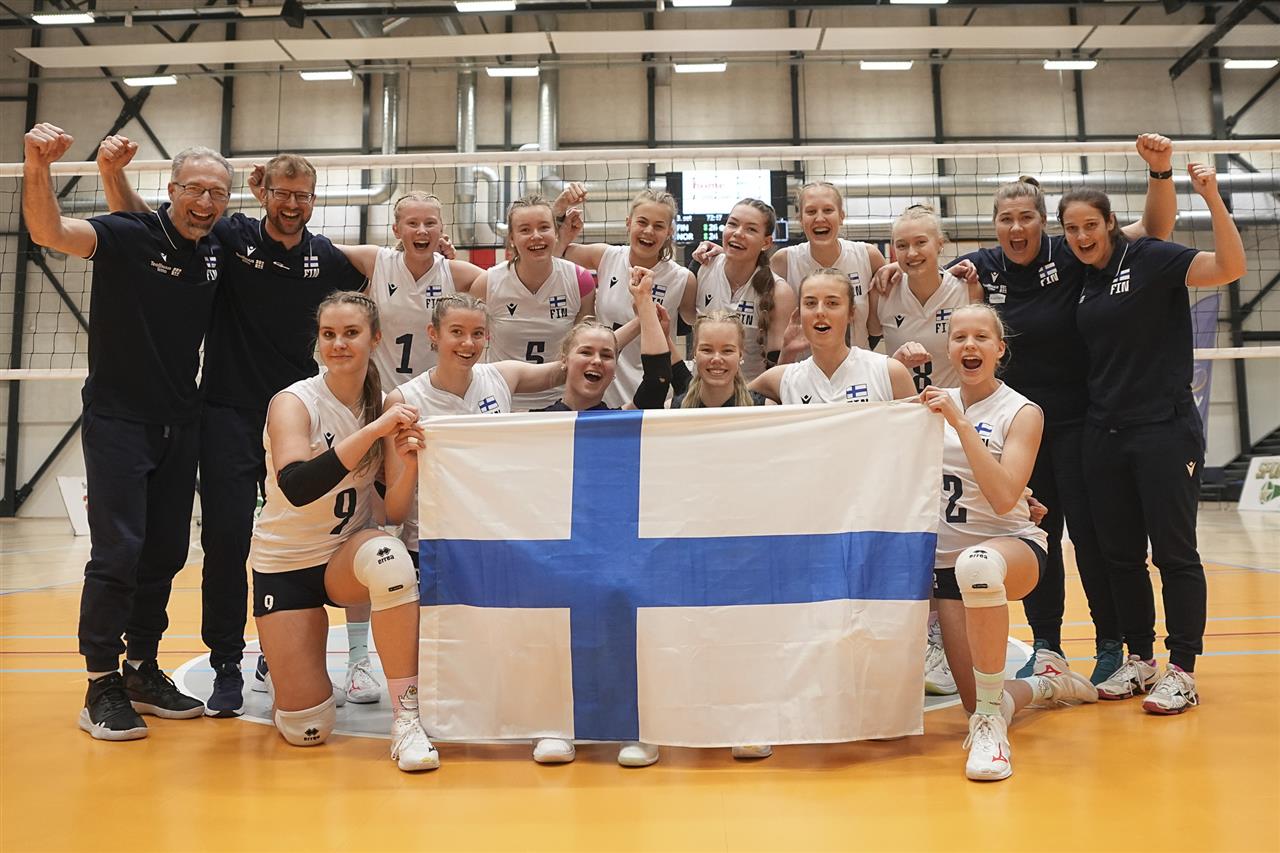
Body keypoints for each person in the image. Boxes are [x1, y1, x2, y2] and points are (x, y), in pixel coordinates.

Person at [873, 134, 1178, 685]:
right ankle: (1047, 646)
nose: (1016, 228)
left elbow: (1152, 230)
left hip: (1080, 422)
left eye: (1026, 218)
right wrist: (891, 272)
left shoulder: (1072, 253)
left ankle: (1112, 643)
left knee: (1093, 537)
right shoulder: (980, 267)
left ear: (1043, 222)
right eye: (1005, 219)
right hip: (1014, 426)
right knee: (1036, 532)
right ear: (994, 225)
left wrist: (1159, 173)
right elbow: (927, 269)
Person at [96, 141, 377, 717]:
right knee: (226, 540)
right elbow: (153, 231)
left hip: (298, 416)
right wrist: (112, 175)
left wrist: (437, 253)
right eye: (283, 194)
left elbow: (385, 267)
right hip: (226, 412)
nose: (292, 205)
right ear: (262, 193)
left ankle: (285, 647)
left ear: (314, 200)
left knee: (308, 533)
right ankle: (228, 660)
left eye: (303, 196)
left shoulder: (327, 257)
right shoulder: (230, 235)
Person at [25, 122, 225, 739]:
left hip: (181, 420)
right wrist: (38, 164)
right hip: (118, 419)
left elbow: (175, 234)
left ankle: (140, 668)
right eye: (194, 189)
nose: (206, 201)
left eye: (217, 193)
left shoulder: (213, 250)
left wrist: (114, 176)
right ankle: (99, 684)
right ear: (172, 189)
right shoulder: (125, 234)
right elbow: (49, 232)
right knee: (117, 553)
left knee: (165, 552)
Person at [1066, 163, 1246, 714]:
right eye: (1071, 229)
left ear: (1110, 223)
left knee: (1174, 552)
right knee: (1121, 556)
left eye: (1090, 225)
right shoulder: (1083, 278)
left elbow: (1230, 267)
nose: (1081, 237)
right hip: (1104, 432)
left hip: (1164, 430)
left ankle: (1183, 669)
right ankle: (1140, 659)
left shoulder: (1148, 257)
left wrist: (1211, 198)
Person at [248, 291, 438, 772]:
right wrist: (374, 432)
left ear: (375, 339)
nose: (338, 344)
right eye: (328, 334)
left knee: (390, 557)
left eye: (351, 333)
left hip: (343, 557)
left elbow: (393, 512)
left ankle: (407, 719)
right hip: (285, 564)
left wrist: (408, 465)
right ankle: (285, 661)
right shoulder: (294, 402)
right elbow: (296, 486)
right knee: (307, 730)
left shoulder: (385, 403)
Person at [921, 303, 1097, 781]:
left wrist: (960, 424)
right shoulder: (929, 405)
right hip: (947, 564)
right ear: (948, 348)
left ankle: (992, 736)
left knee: (977, 563)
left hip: (1012, 546)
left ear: (999, 349)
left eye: (981, 337)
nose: (970, 345)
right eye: (959, 337)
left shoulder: (1022, 411)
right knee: (982, 700)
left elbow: (1002, 499)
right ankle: (1046, 686)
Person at [553, 184, 696, 407]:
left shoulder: (683, 279)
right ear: (629, 223)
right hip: (601, 389)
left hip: (654, 392)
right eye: (642, 222)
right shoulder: (606, 256)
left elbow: (701, 322)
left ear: (669, 232)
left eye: (658, 226)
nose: (649, 231)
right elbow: (554, 257)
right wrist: (559, 214)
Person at [334, 191, 485, 386]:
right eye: (412, 223)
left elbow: (505, 282)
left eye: (430, 223)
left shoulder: (455, 272)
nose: (422, 230)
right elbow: (321, 247)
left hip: (434, 393)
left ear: (441, 229)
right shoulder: (378, 261)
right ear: (396, 230)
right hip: (382, 391)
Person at [470, 195, 597, 411]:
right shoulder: (488, 283)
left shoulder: (579, 280)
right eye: (525, 230)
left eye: (544, 227)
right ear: (512, 238)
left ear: (556, 233)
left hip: (563, 403)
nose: (536, 236)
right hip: (503, 401)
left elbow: (587, 346)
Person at [750, 268, 917, 405]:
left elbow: (918, 431)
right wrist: (786, 352)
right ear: (799, 313)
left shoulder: (889, 372)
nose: (820, 312)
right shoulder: (779, 379)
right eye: (810, 303)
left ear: (851, 313)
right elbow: (736, 398)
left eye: (832, 303)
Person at [868, 204, 984, 393]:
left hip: (954, 405)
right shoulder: (882, 292)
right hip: (902, 405)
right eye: (902, 245)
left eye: (920, 242)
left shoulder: (968, 290)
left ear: (940, 244)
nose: (911, 253)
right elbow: (865, 348)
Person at [771, 181, 886, 349]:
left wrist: (897, 267)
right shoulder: (783, 261)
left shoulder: (868, 256)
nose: (819, 218)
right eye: (811, 211)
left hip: (858, 362)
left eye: (828, 210)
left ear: (841, 216)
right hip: (803, 363)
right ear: (800, 219)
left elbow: (879, 324)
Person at [694, 199, 797, 382]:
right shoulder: (703, 267)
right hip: (702, 389)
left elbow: (777, 368)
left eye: (751, 229)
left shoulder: (779, 292)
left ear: (766, 242)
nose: (738, 233)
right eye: (732, 224)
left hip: (751, 392)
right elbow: (685, 319)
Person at [673, 311, 759, 409]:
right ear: (695, 353)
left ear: (741, 354)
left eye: (727, 350)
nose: (717, 359)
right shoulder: (672, 410)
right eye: (707, 350)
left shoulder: (765, 409)